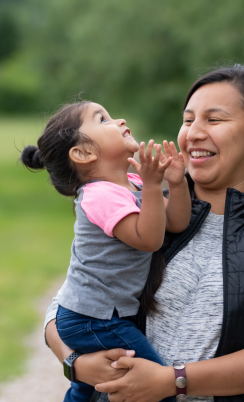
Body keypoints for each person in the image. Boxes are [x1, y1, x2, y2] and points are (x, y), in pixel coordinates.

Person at [44, 65, 244, 402]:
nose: (194, 132)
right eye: (189, 119)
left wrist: (172, 381)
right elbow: (67, 304)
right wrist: (76, 364)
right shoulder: (147, 212)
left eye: (214, 119)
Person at [21, 101, 191, 402]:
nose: (119, 119)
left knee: (88, 388)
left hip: (101, 315)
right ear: (84, 153)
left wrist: (175, 184)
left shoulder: (134, 183)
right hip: (92, 318)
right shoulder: (99, 195)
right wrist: (154, 187)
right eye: (102, 119)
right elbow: (148, 239)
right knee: (154, 381)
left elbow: (175, 223)